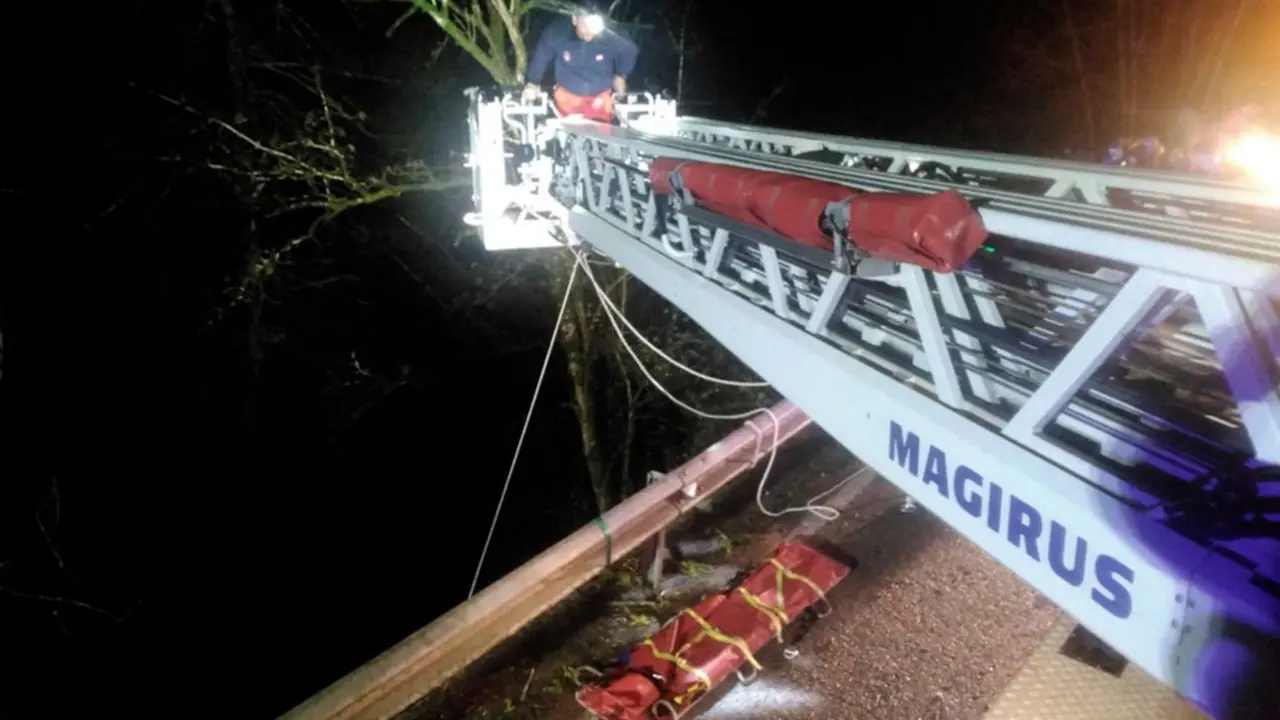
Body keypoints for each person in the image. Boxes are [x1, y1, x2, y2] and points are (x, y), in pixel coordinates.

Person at [523, 5, 638, 123]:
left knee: (602, 133)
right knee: (567, 134)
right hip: (567, 97)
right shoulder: (558, 32)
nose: (590, 30)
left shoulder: (611, 34)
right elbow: (542, 54)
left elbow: (629, 50)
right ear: (574, 19)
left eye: (594, 24)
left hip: (599, 98)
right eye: (585, 24)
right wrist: (533, 81)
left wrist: (621, 75)